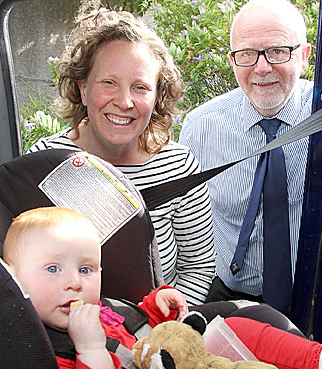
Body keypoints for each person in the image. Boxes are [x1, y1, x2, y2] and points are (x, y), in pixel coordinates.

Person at [3, 206, 322, 369]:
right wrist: (89, 350)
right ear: (13, 281)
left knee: (238, 328)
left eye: (86, 270)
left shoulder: (101, 310)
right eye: (53, 269)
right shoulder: (41, 351)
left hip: (177, 365)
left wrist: (156, 306)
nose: (74, 282)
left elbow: (142, 332)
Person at [28, 7, 215, 305]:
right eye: (108, 83)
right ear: (84, 88)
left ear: (156, 98)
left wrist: (160, 326)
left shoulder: (179, 166)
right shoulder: (45, 160)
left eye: (140, 87)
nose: (124, 102)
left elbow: (198, 266)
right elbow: (27, 265)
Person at [179, 0, 313, 310]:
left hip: (313, 297)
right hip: (227, 292)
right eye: (247, 54)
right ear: (233, 61)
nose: (262, 68)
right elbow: (182, 220)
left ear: (304, 55)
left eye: (278, 51)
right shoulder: (201, 126)